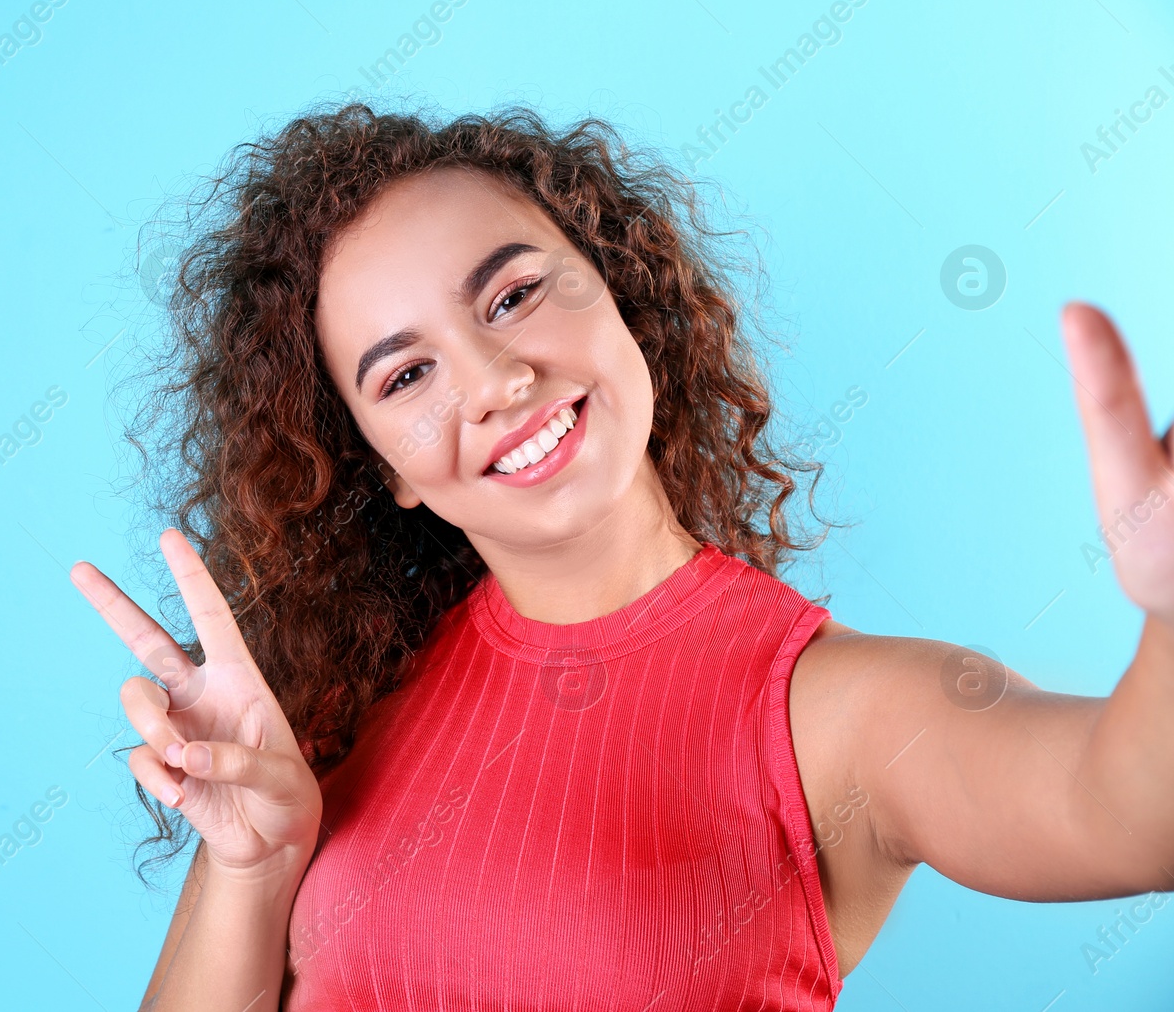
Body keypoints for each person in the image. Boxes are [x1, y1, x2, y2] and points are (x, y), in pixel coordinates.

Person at [69, 103, 1174, 1010]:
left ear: (622, 299)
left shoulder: (837, 710)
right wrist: (251, 868)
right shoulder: (337, 707)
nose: (495, 379)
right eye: (405, 376)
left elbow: (1125, 809)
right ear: (384, 468)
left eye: (511, 296)